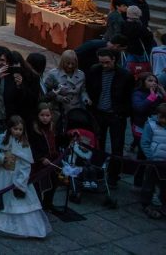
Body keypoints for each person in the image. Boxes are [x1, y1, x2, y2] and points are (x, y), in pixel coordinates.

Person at [0, 116, 51, 238]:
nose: (18, 132)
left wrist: (21, 181)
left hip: (17, 178)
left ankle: (23, 229)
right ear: (10, 128)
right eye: (15, 129)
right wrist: (2, 158)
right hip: (2, 176)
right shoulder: (1, 139)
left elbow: (26, 165)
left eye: (20, 129)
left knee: (18, 203)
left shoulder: (24, 144)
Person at [85, 48, 134, 188]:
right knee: (98, 144)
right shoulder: (95, 70)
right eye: (101, 62)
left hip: (116, 116)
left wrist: (123, 113)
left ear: (114, 60)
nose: (104, 65)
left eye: (107, 62)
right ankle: (97, 172)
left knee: (117, 147)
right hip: (99, 113)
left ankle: (113, 176)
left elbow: (128, 97)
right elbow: (89, 88)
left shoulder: (125, 75)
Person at [28, 103, 64, 210]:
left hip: (52, 160)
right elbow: (32, 146)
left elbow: (58, 141)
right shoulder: (34, 129)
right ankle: (37, 205)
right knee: (38, 185)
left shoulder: (53, 127)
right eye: (42, 115)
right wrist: (41, 158)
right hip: (39, 163)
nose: (45, 118)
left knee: (53, 182)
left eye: (47, 115)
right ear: (38, 116)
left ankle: (48, 203)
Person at [139, 103, 166, 218]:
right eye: (163, 117)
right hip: (153, 161)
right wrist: (150, 157)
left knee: (164, 184)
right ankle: (146, 203)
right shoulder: (150, 125)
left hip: (164, 162)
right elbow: (144, 143)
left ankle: (163, 204)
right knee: (149, 183)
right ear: (158, 115)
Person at [43, 49, 87, 115]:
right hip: (58, 110)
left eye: (73, 64)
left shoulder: (81, 75)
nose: (70, 66)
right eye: (68, 63)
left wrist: (85, 98)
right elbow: (46, 91)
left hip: (75, 110)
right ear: (63, 62)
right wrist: (59, 98)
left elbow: (83, 90)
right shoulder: (53, 74)